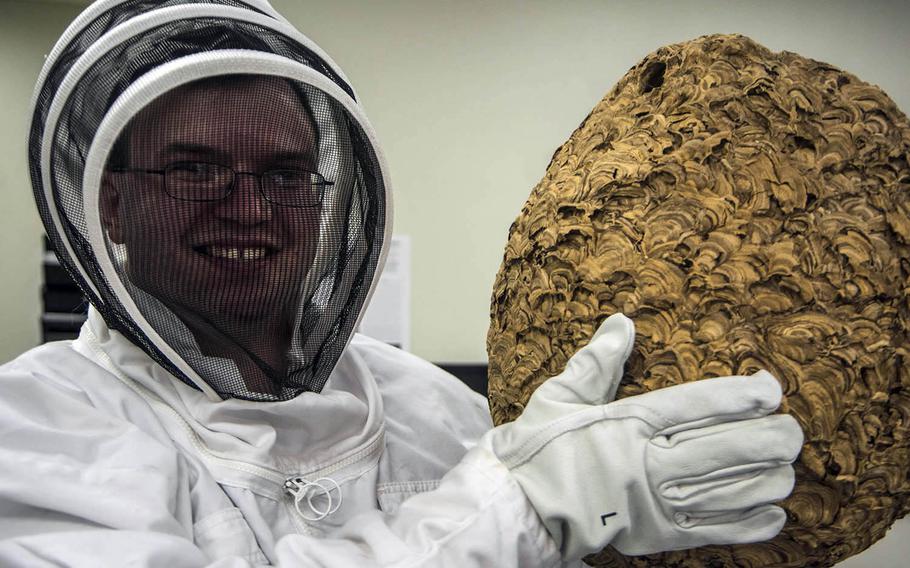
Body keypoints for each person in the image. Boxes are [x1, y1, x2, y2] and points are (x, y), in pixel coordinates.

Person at [0, 1, 803, 566]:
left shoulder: (440, 410)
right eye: (194, 170)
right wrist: (523, 509)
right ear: (110, 201)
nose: (247, 210)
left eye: (285, 175)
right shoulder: (37, 427)